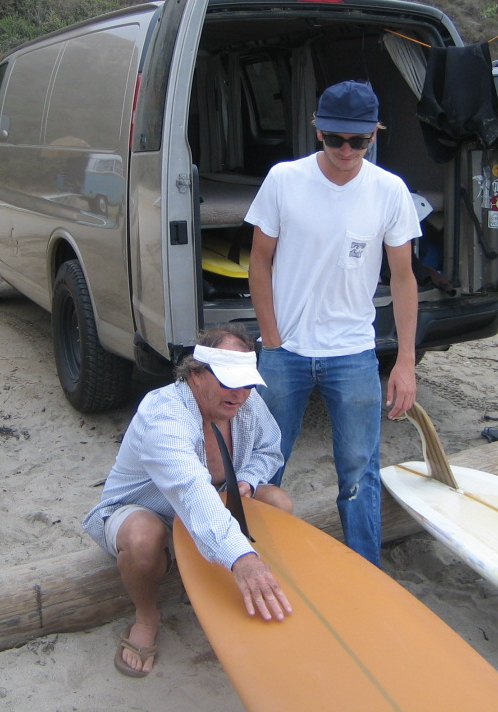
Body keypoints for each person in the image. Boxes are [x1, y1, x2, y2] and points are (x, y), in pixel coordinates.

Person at [246, 80, 421, 567]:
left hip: (354, 352)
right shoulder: (284, 179)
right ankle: (253, 562)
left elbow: (404, 278)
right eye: (336, 138)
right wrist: (273, 340)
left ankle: (366, 570)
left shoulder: (389, 190)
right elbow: (259, 262)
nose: (346, 150)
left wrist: (405, 362)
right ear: (318, 130)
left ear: (375, 134)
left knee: (360, 470)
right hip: (286, 352)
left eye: (358, 141)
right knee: (263, 464)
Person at [82, 325, 293, 678]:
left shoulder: (246, 401)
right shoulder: (164, 414)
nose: (239, 394)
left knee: (277, 502)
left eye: (247, 383)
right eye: (228, 381)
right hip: (150, 509)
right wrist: (243, 558)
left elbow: (269, 449)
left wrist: (247, 479)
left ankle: (253, 587)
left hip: (215, 499)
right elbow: (190, 489)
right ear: (195, 373)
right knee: (143, 536)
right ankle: (146, 616)